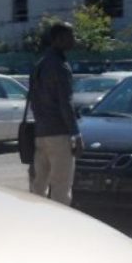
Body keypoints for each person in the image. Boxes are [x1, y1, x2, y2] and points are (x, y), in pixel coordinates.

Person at [29, 22, 83, 205]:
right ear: (59, 39)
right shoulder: (60, 66)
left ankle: (37, 223)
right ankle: (60, 227)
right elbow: (65, 102)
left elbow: (34, 101)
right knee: (61, 187)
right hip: (59, 135)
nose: (74, 40)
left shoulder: (40, 64)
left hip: (41, 133)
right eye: (71, 36)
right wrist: (76, 133)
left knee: (38, 186)